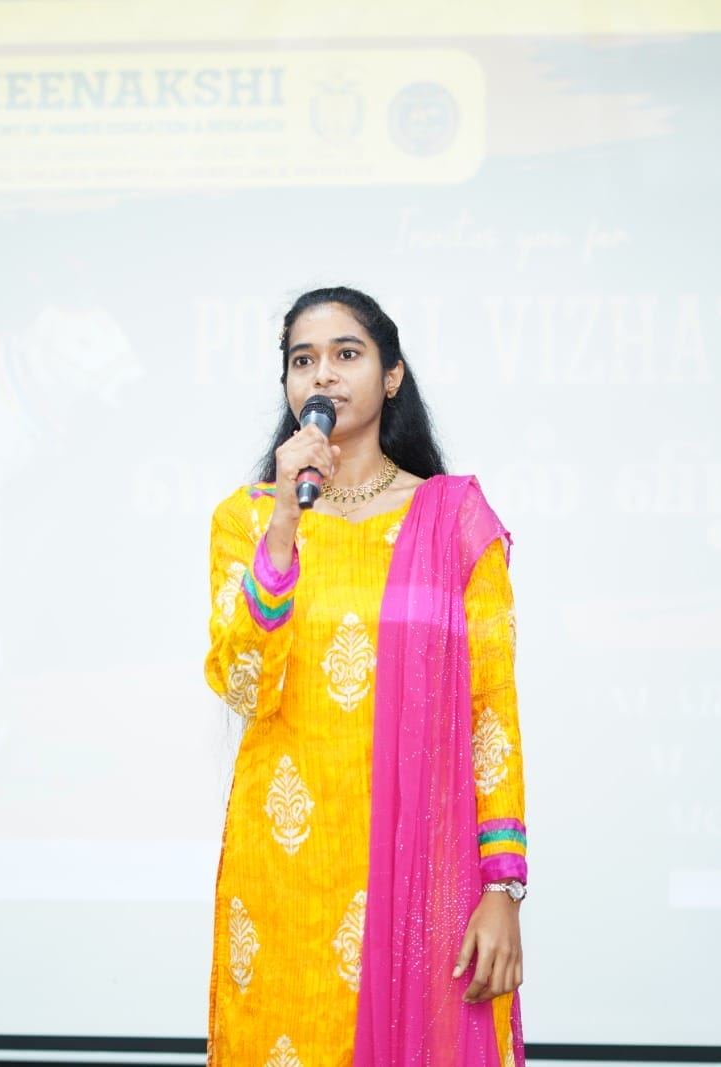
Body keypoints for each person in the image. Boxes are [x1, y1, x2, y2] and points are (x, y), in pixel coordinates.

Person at [204, 287, 527, 1067]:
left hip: (424, 874)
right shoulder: (246, 520)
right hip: (286, 872)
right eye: (302, 360)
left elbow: (490, 709)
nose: (322, 374)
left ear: (391, 375)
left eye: (346, 354)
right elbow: (244, 685)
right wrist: (285, 523)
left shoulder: (453, 520)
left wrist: (502, 887)